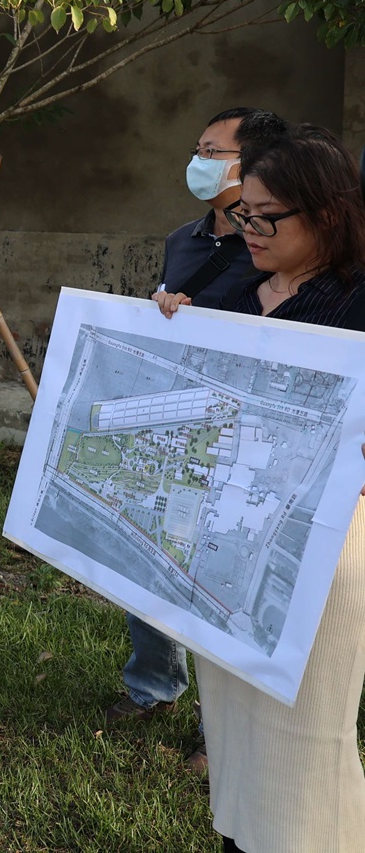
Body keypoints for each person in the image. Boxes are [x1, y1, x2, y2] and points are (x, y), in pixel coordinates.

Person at [153, 124, 365, 853]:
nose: (248, 228)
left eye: (266, 217)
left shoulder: (353, 302)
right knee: (236, 727)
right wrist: (171, 326)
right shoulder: (237, 288)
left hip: (325, 548)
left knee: (306, 734)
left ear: (327, 214)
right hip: (231, 536)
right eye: (244, 213)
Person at [110, 107, 288, 774]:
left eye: (212, 151)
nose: (198, 161)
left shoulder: (275, 247)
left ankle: (223, 727)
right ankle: (153, 683)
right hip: (176, 426)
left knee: (224, 577)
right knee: (151, 555)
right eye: (197, 148)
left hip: (244, 440)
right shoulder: (183, 238)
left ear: (252, 166)